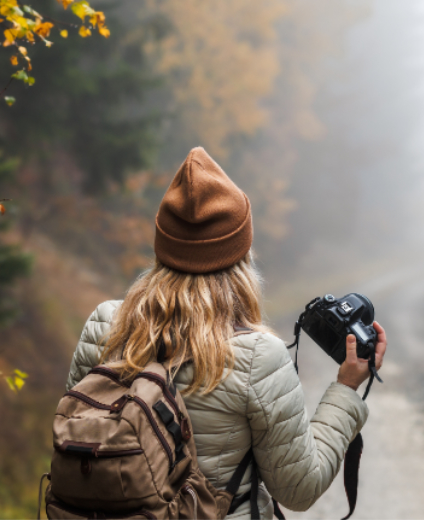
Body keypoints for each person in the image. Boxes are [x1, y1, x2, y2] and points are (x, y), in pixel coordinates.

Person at [65, 147, 387, 519]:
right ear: (241, 258)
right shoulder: (255, 356)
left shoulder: (106, 325)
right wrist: (346, 389)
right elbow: (298, 488)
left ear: (162, 248)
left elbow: (70, 433)